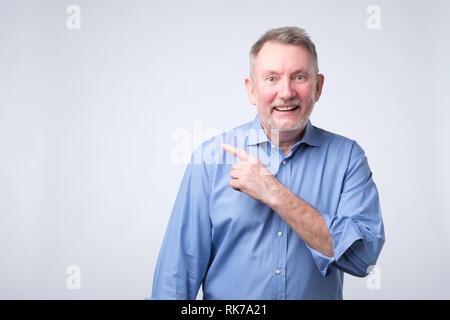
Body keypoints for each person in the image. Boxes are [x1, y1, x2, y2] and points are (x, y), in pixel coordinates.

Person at [151, 26, 385, 300]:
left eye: (299, 77)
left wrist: (275, 194)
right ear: (251, 90)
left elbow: (362, 258)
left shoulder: (347, 159)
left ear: (318, 87)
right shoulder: (211, 160)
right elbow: (176, 276)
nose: (286, 93)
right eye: (272, 78)